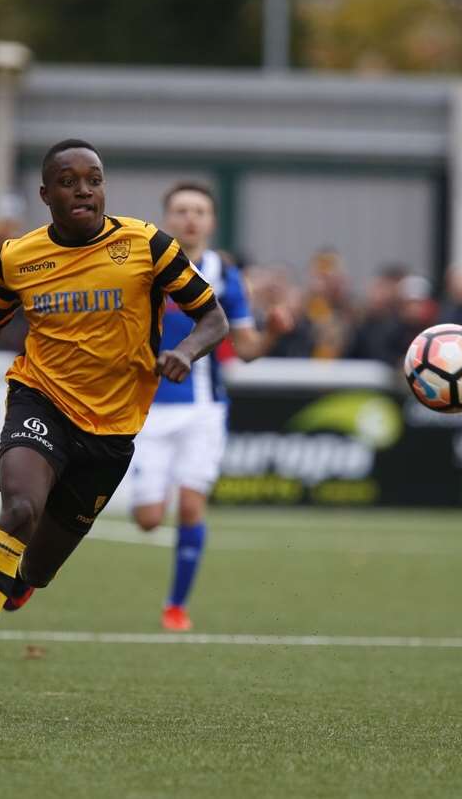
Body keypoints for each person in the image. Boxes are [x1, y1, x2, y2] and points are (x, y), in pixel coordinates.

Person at [0, 139, 228, 718]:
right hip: (41, 401)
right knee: (19, 510)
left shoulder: (147, 246)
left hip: (112, 432)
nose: (84, 190)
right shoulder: (17, 258)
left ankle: (22, 579)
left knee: (39, 568)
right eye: (69, 181)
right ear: (45, 194)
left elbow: (212, 317)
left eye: (94, 180)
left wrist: (186, 351)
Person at [126, 182, 292, 631]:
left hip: (204, 410)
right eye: (181, 210)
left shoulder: (225, 274)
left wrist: (273, 331)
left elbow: (246, 348)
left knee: (193, 507)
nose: (191, 218)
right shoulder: (144, 267)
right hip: (147, 409)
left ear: (212, 221)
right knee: (148, 519)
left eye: (199, 210)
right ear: (167, 218)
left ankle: (176, 606)